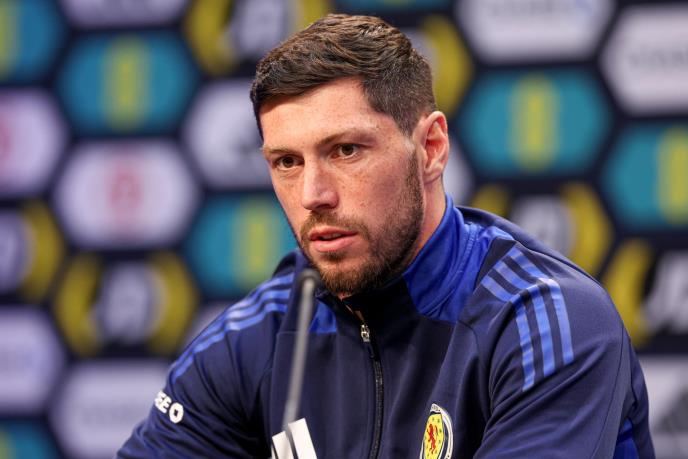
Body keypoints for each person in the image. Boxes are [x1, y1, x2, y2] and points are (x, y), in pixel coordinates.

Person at [118, 13, 654, 458]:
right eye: (286, 162)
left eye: (346, 150)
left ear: (431, 148)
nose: (313, 194)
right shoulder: (253, 340)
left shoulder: (548, 322)